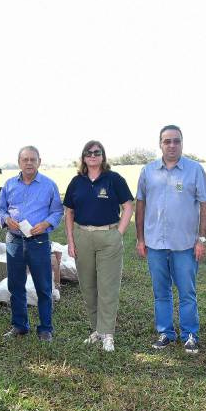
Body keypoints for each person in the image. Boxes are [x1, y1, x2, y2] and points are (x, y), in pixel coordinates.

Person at [135, 125, 206, 354]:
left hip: (185, 244)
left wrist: (202, 239)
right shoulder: (148, 171)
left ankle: (191, 334)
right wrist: (140, 238)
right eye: (167, 141)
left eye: (176, 141)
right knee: (161, 291)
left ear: (182, 143)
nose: (171, 145)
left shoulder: (195, 170)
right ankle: (165, 333)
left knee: (187, 291)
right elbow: (141, 204)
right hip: (155, 243)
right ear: (160, 143)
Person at [63, 140, 134, 352]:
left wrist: (118, 233)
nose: (93, 155)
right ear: (83, 157)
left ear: (103, 156)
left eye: (97, 152)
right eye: (89, 152)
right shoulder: (77, 182)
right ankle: (96, 330)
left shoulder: (114, 179)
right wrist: (70, 240)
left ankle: (108, 334)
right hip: (83, 237)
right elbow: (69, 212)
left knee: (108, 288)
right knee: (88, 286)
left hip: (108, 237)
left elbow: (128, 206)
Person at [0, 146, 64, 342]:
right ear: (19, 162)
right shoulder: (9, 185)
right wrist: (6, 219)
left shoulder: (49, 185)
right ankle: (19, 326)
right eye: (25, 159)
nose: (28, 163)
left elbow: (57, 211)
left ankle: (45, 328)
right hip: (14, 241)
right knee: (15, 285)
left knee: (43, 286)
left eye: (32, 159)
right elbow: (0, 209)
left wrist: (46, 224)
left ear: (39, 162)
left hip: (39, 241)